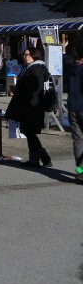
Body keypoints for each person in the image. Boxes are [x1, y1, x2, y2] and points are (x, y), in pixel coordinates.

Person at [6, 44, 53, 168]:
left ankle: (44, 157)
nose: (25, 57)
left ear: (34, 55)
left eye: (28, 54)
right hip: (30, 106)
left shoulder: (35, 69)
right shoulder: (31, 68)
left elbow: (35, 89)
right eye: (24, 54)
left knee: (29, 132)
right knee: (29, 132)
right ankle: (35, 159)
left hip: (32, 107)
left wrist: (23, 98)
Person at [67, 45, 83, 182]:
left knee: (78, 139)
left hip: (73, 106)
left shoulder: (72, 68)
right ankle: (82, 167)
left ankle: (80, 169)